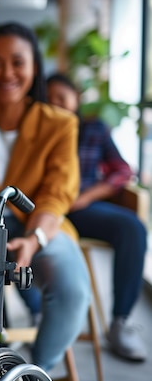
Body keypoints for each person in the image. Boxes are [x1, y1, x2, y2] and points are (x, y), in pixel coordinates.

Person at [0, 23, 91, 372]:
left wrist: (34, 240)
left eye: (17, 62)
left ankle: (36, 371)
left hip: (39, 225)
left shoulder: (60, 123)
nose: (7, 73)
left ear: (35, 67)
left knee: (70, 290)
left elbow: (57, 192)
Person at [47, 73, 148, 362]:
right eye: (49, 97)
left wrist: (87, 197)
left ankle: (120, 323)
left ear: (76, 99)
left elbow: (122, 170)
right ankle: (33, 317)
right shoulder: (37, 127)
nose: (55, 103)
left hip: (82, 207)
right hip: (46, 209)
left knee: (133, 228)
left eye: (62, 97)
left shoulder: (94, 129)